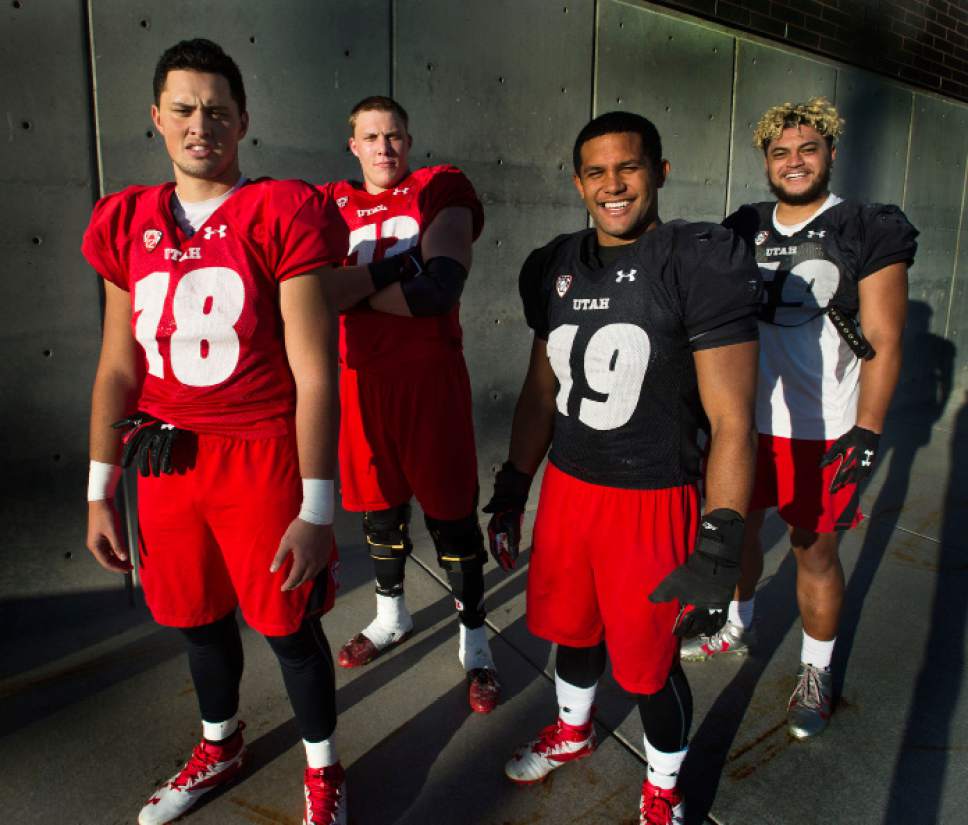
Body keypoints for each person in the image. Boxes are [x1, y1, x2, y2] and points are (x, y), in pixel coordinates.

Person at [81, 39, 371, 825]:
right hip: (165, 455)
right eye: (182, 107)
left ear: (242, 120)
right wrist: (100, 488)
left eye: (216, 109)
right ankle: (222, 742)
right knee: (196, 617)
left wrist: (317, 509)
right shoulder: (127, 220)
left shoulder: (281, 209)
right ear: (156, 118)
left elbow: (315, 371)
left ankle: (323, 767)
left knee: (288, 624)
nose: (198, 123)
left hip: (260, 453)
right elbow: (118, 367)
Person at [483, 111, 761, 825]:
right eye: (597, 171)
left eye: (629, 166)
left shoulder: (693, 259)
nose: (614, 184)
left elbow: (732, 416)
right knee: (571, 630)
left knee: (647, 666)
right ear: (578, 183)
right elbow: (541, 389)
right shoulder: (555, 264)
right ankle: (574, 730)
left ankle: (664, 785)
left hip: (652, 496)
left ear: (660, 172)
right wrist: (516, 482)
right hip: (571, 487)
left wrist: (721, 537)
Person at [683, 97, 917, 740]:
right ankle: (740, 621)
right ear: (765, 160)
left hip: (823, 428)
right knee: (741, 532)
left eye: (807, 149)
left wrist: (867, 429)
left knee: (815, 552)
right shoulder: (745, 224)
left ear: (830, 154)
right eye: (781, 152)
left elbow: (885, 337)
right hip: (743, 424)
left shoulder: (866, 225)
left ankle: (816, 669)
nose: (794, 162)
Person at [317, 96, 500, 714]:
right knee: (379, 514)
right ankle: (391, 616)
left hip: (430, 382)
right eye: (371, 137)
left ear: (409, 138)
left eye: (394, 135)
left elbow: (437, 290)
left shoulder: (437, 186)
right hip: (360, 383)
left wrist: (348, 293)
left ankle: (476, 640)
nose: (384, 148)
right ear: (353, 146)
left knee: (452, 521)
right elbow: (308, 292)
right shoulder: (328, 204)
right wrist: (404, 263)